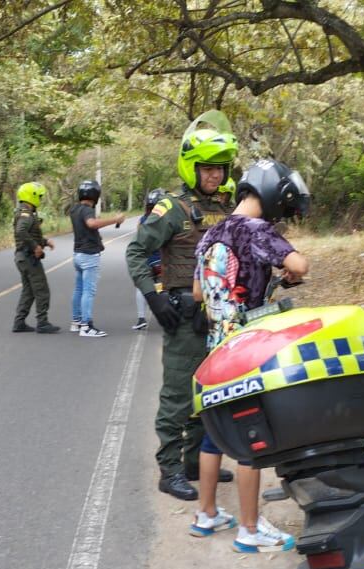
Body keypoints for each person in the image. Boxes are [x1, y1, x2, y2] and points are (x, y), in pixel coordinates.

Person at [189, 158, 311, 552]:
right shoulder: (256, 229)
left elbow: (196, 293)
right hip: (246, 350)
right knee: (251, 438)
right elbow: (300, 263)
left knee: (214, 435)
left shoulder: (212, 233)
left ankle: (206, 515)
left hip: (215, 349)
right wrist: (287, 271)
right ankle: (249, 529)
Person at [126, 111, 239, 501]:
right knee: (177, 396)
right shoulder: (172, 209)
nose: (215, 176)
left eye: (220, 169)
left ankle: (195, 461)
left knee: (212, 393)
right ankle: (170, 469)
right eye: (208, 169)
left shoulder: (228, 208)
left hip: (220, 319)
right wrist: (154, 297)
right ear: (192, 168)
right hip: (184, 317)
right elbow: (137, 252)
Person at [69, 180, 125, 338]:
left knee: (79, 289)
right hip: (88, 256)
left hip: (78, 255)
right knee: (88, 291)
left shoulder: (74, 209)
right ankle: (86, 326)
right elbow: (91, 224)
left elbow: (85, 228)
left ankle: (76, 321)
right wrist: (115, 219)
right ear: (95, 195)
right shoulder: (87, 210)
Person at [12, 181, 60, 334]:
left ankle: (19, 322)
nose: (40, 198)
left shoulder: (24, 211)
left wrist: (45, 242)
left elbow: (29, 233)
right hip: (28, 258)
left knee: (29, 291)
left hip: (22, 257)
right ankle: (42, 322)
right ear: (31, 196)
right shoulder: (26, 213)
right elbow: (21, 231)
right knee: (41, 290)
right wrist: (36, 247)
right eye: (39, 195)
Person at [132, 188, 168, 331]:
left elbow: (138, 240)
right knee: (166, 287)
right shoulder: (165, 219)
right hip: (160, 260)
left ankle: (141, 318)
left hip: (145, 260)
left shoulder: (142, 220)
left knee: (141, 287)